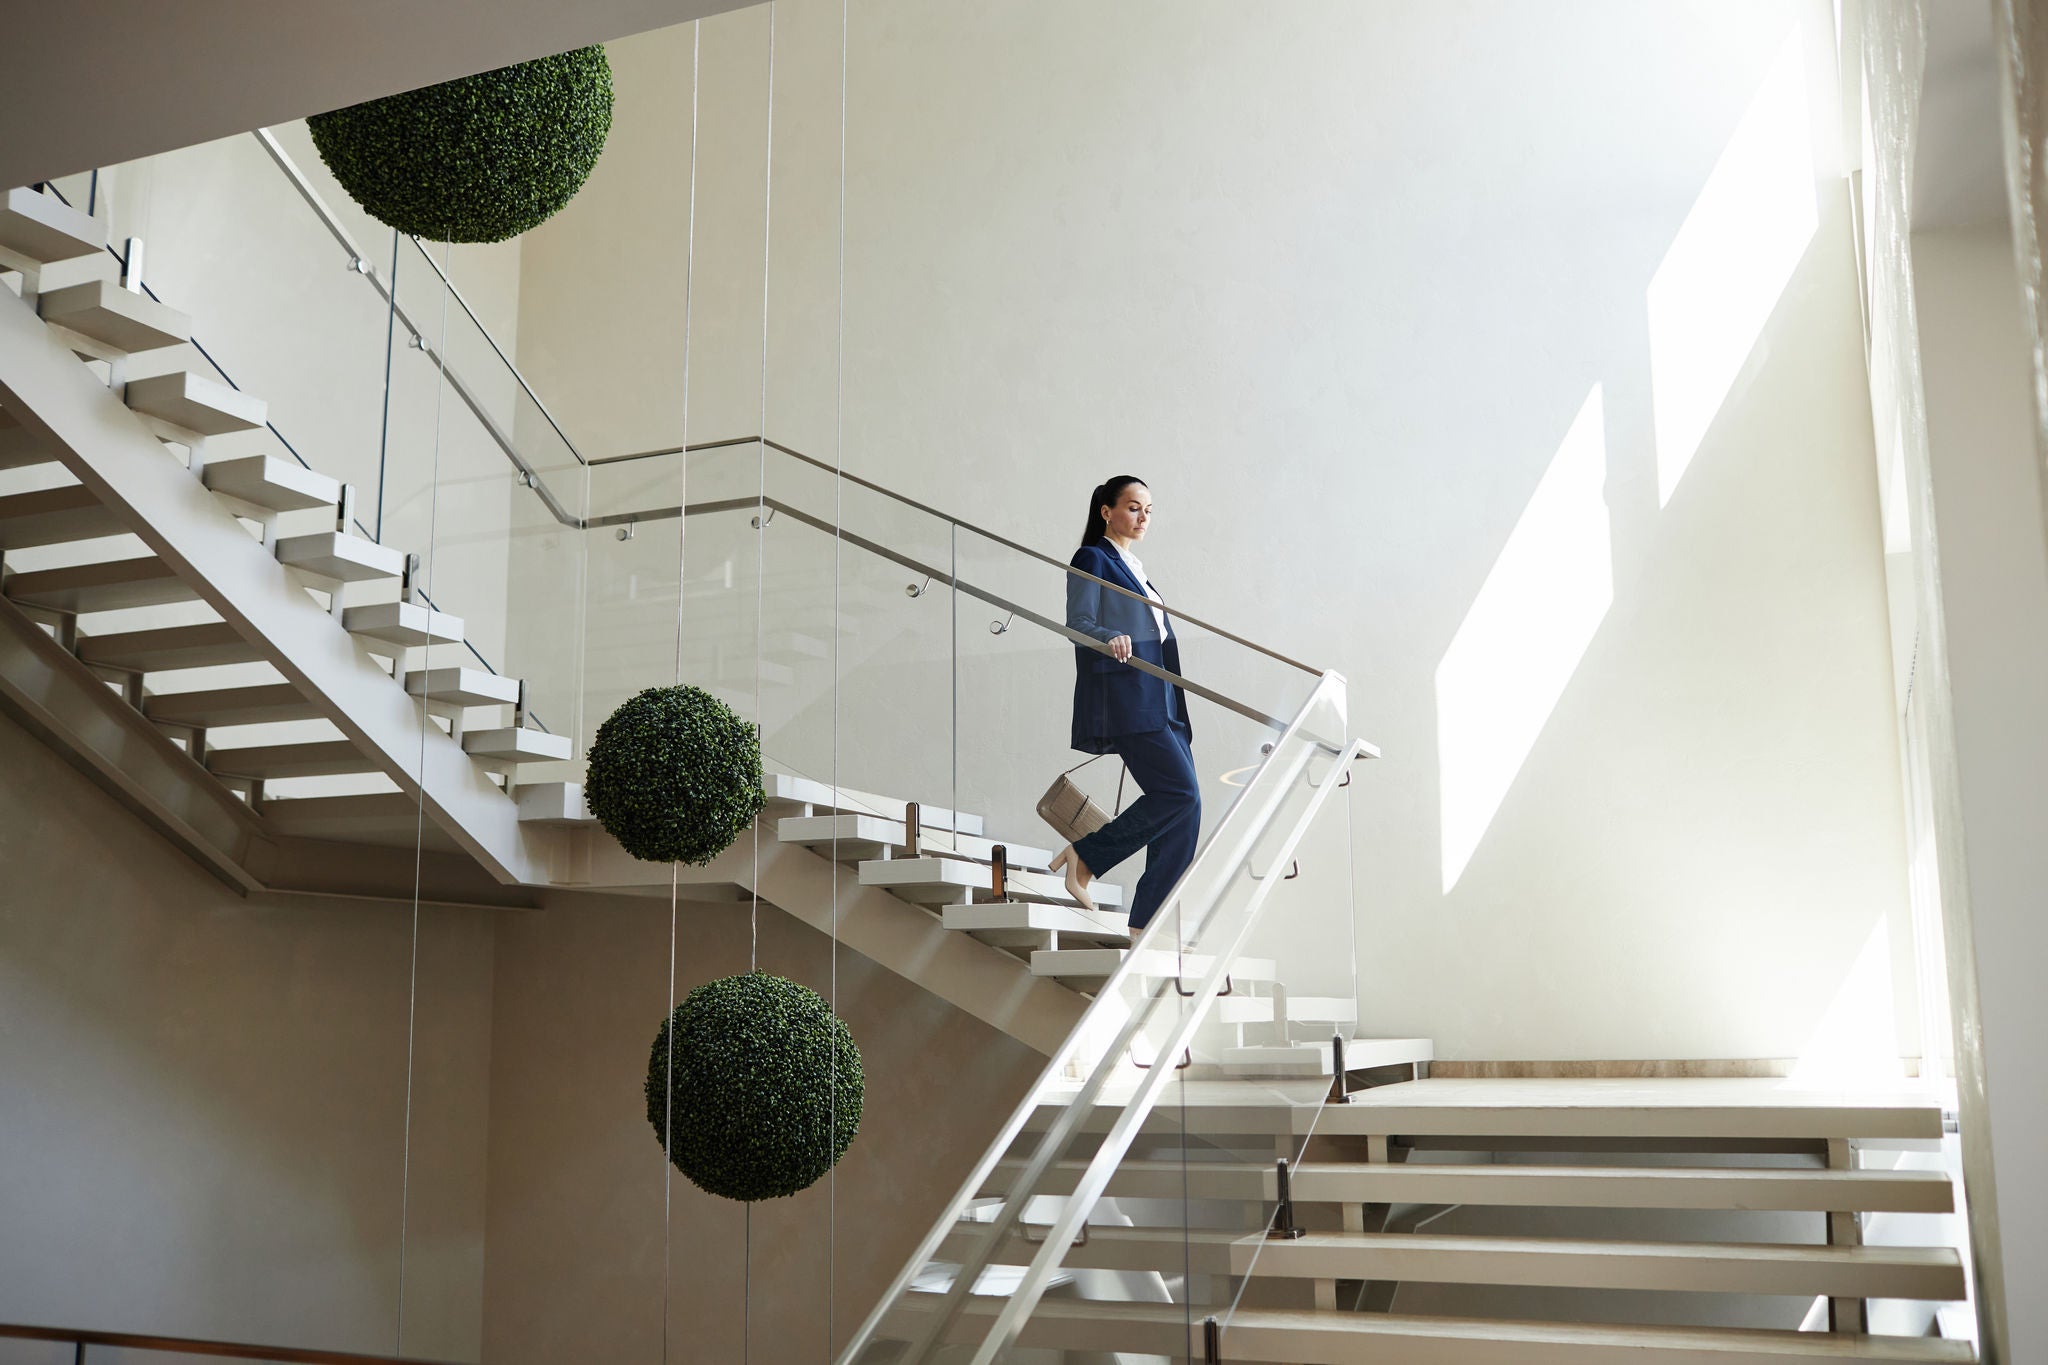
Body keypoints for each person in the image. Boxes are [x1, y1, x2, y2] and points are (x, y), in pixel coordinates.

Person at [1048, 476, 1198, 932]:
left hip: (1165, 700)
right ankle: (1086, 856)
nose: (1143, 517)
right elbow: (1078, 624)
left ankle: (1145, 926)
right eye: (1134, 507)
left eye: (1148, 510)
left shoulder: (1137, 567)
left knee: (1186, 811)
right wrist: (1107, 638)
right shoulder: (1092, 558)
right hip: (1131, 699)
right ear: (1106, 511)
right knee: (1179, 794)